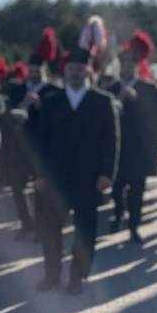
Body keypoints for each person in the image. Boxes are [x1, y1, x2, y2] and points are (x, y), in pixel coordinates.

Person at [33, 46, 119, 293]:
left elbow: (111, 140)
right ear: (65, 71)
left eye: (80, 68)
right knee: (51, 230)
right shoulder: (51, 101)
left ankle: (76, 277)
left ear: (88, 70)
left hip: (89, 178)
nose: (75, 73)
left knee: (85, 231)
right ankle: (52, 275)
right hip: (55, 178)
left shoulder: (102, 101)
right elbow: (40, 141)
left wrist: (107, 174)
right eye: (71, 68)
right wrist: (39, 174)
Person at [105, 32, 157, 244]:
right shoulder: (110, 90)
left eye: (131, 65)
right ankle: (118, 213)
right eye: (124, 65)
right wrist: (120, 100)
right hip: (117, 150)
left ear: (137, 66)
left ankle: (134, 226)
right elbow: (103, 120)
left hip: (139, 150)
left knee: (137, 192)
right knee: (117, 189)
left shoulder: (148, 89)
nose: (128, 68)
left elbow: (156, 119)